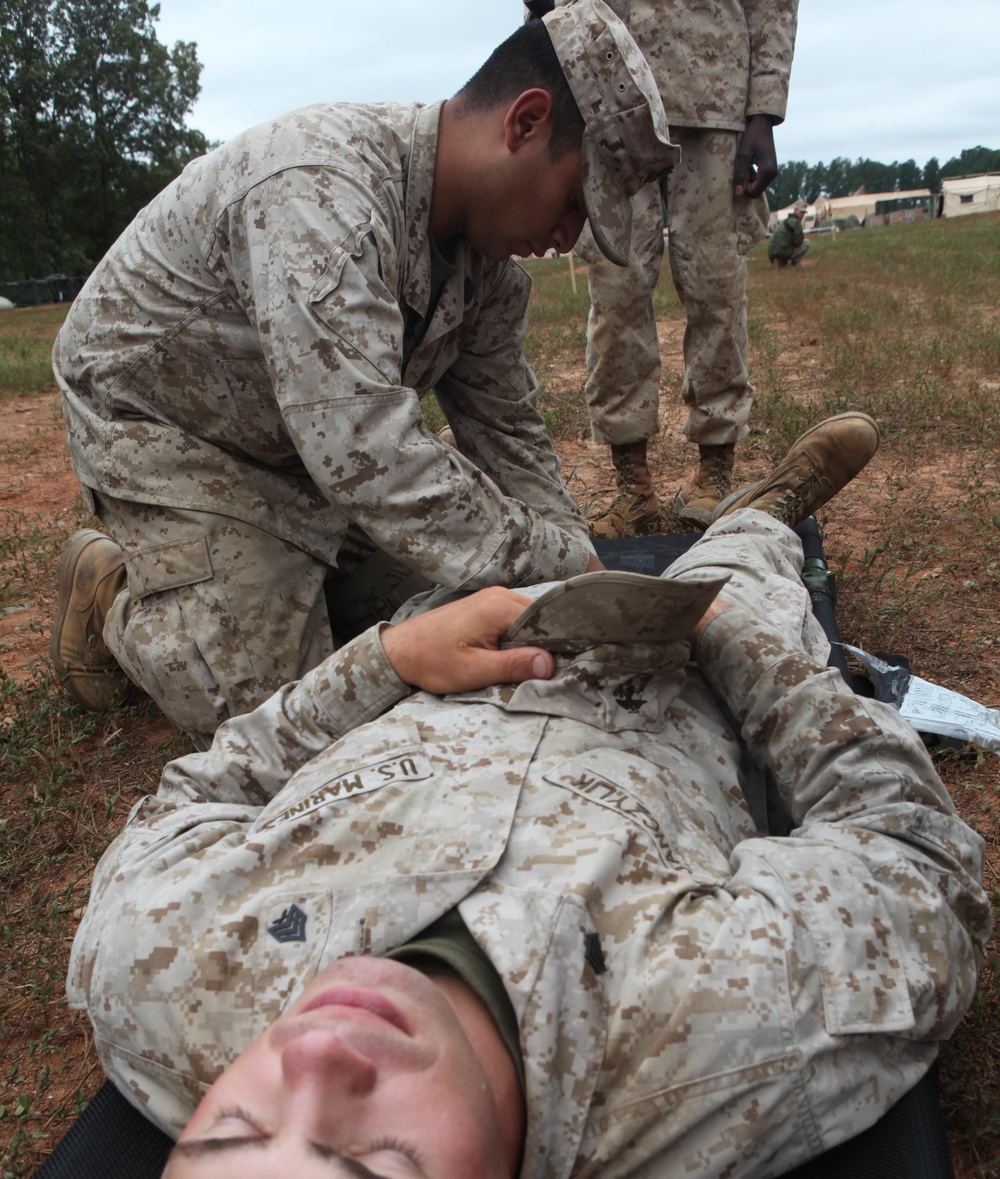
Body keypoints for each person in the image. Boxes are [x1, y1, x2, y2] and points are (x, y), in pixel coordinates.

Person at [66, 413, 989, 1179]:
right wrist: (733, 642)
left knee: (443, 527)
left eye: (227, 1134)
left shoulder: (149, 974)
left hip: (433, 650)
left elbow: (198, 792)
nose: (314, 1064)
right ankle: (763, 519)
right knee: (743, 564)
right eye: (377, 1164)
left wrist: (382, 661)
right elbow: (914, 854)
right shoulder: (714, 1034)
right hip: (670, 671)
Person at [48, 0, 679, 744]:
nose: (568, 236)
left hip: (303, 443)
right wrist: (562, 563)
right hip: (171, 430)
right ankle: (115, 592)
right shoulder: (322, 195)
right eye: (575, 202)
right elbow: (370, 460)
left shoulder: (493, 275)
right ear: (525, 121)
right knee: (281, 716)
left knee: (472, 618)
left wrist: (576, 586)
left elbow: (507, 434)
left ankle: (284, 571)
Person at [560, 0, 800, 536]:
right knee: (616, 291)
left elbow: (775, 6)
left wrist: (764, 111)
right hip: (606, 94)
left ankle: (715, 473)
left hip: (714, 93)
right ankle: (633, 487)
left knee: (715, 287)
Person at [769, 198, 810, 267]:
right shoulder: (796, 223)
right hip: (783, 251)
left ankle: (779, 261)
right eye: (801, 212)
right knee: (806, 242)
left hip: (771, 252)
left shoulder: (784, 221)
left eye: (803, 213)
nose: (802, 215)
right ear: (795, 210)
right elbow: (798, 242)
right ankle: (794, 263)